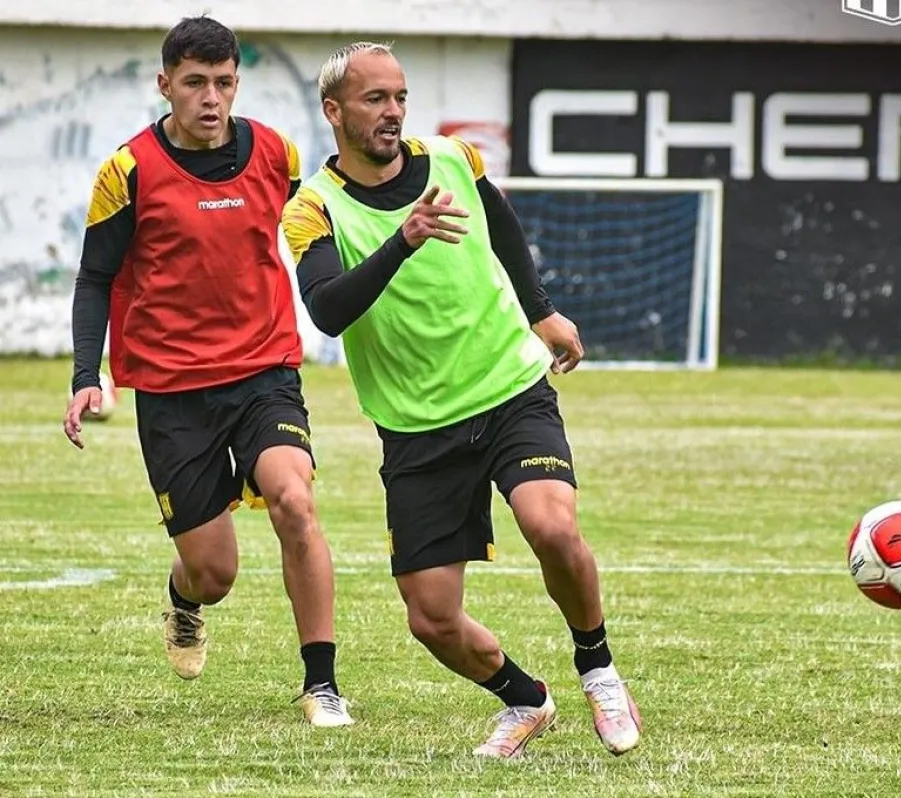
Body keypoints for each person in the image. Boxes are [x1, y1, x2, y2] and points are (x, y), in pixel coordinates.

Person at [281, 41, 641, 757]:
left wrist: (541, 312)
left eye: (399, 97)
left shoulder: (452, 159)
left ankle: (597, 667)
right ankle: (525, 700)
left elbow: (501, 226)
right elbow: (326, 309)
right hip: (416, 428)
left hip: (508, 390)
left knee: (553, 527)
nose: (392, 112)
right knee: (431, 619)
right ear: (334, 111)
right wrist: (402, 241)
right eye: (374, 99)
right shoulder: (312, 209)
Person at [62, 15, 352, 728]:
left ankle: (322, 685)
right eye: (195, 83)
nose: (211, 97)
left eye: (223, 82)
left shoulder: (276, 154)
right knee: (215, 572)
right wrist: (83, 374)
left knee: (295, 502)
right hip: (170, 392)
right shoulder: (126, 172)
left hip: (264, 371)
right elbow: (95, 278)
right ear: (166, 85)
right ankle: (185, 600)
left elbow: (317, 229)